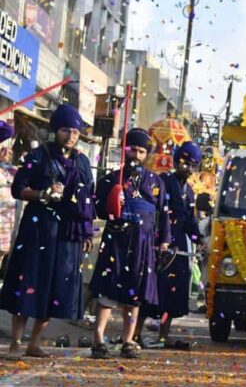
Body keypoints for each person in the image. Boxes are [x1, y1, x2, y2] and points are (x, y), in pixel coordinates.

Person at [0, 105, 95, 358]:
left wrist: (86, 232)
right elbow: (18, 188)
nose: (71, 136)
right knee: (28, 282)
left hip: (67, 235)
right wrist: (43, 195)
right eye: (66, 130)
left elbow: (89, 200)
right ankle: (15, 344)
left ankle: (35, 342)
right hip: (38, 229)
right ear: (56, 130)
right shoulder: (39, 156)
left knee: (55, 288)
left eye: (75, 131)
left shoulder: (82, 162)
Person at [90, 128, 170, 359]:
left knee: (134, 293)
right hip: (116, 239)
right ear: (125, 150)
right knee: (108, 289)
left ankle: (128, 339)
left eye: (141, 151)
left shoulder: (156, 182)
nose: (136, 154)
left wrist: (164, 241)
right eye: (132, 149)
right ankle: (98, 338)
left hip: (143, 242)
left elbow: (163, 214)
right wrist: (112, 204)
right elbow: (97, 208)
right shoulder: (110, 179)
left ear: (147, 155)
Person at [136, 141, 203, 350]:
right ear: (176, 161)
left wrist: (199, 239)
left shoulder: (190, 191)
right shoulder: (162, 180)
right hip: (160, 242)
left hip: (181, 245)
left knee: (176, 292)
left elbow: (191, 221)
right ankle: (135, 334)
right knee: (153, 288)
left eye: (193, 165)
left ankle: (164, 336)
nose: (188, 168)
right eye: (184, 163)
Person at [0, 123, 18, 257]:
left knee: (1, 253)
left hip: (7, 219)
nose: (6, 153)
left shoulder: (13, 171)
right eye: (3, 150)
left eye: (10, 152)